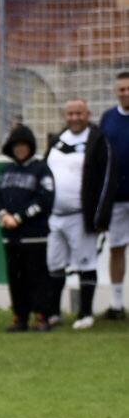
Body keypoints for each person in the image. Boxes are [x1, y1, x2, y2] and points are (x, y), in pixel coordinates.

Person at [44, 99, 116, 329]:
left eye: (79, 113)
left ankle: (85, 314)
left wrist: (101, 217)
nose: (74, 118)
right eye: (70, 114)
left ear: (88, 114)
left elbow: (107, 180)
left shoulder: (98, 140)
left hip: (80, 216)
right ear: (64, 116)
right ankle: (54, 313)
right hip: (55, 216)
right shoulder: (57, 140)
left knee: (85, 263)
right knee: (55, 264)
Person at [0, 124, 55, 331]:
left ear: (31, 146)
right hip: (11, 236)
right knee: (16, 279)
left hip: (34, 237)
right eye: (15, 145)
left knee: (37, 278)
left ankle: (43, 317)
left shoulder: (41, 169)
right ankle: (20, 318)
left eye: (23, 145)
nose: (19, 149)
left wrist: (19, 217)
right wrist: (3, 215)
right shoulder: (4, 171)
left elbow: (45, 199)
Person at [98, 73, 129, 320]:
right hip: (117, 198)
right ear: (115, 92)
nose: (126, 93)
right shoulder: (108, 118)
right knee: (116, 248)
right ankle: (116, 305)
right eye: (122, 89)